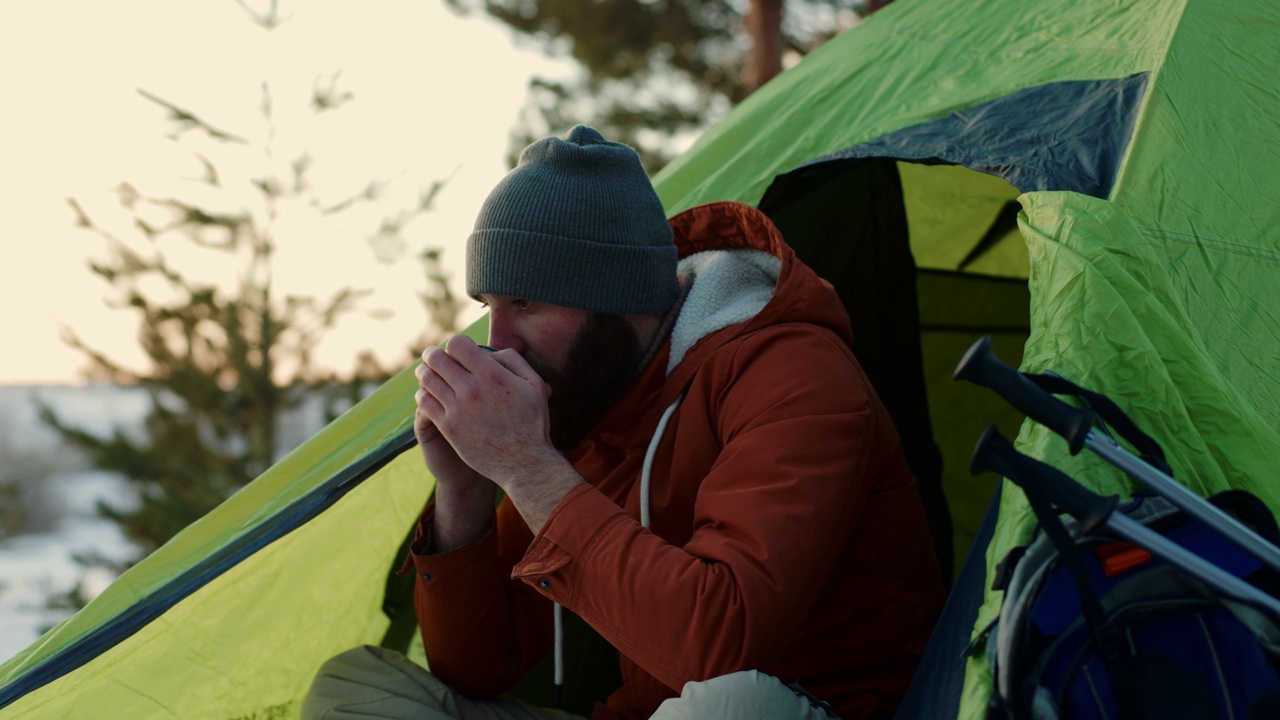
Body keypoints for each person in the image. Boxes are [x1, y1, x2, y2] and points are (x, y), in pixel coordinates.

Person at [303, 126, 945, 720]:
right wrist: (463, 491)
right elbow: (476, 670)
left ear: (615, 297)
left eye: (524, 301)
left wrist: (528, 468)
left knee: (733, 708)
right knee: (355, 688)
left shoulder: (792, 372)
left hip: (819, 710)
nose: (500, 343)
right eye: (488, 306)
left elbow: (720, 649)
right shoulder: (582, 401)